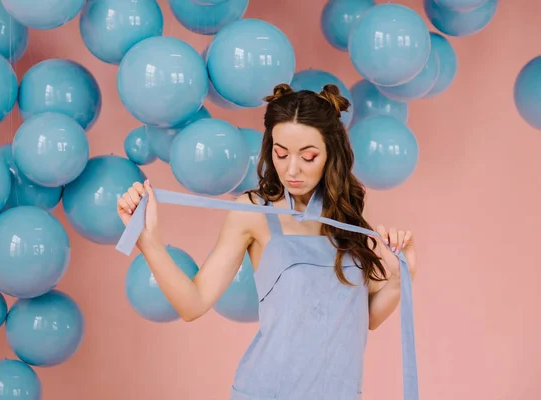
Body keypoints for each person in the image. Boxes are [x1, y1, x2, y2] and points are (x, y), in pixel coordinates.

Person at [116, 83, 418, 400]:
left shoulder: (348, 215)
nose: (292, 169)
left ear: (331, 152)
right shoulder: (253, 212)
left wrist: (400, 278)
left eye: (309, 156)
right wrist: (147, 241)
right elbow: (193, 303)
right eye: (281, 153)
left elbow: (364, 318)